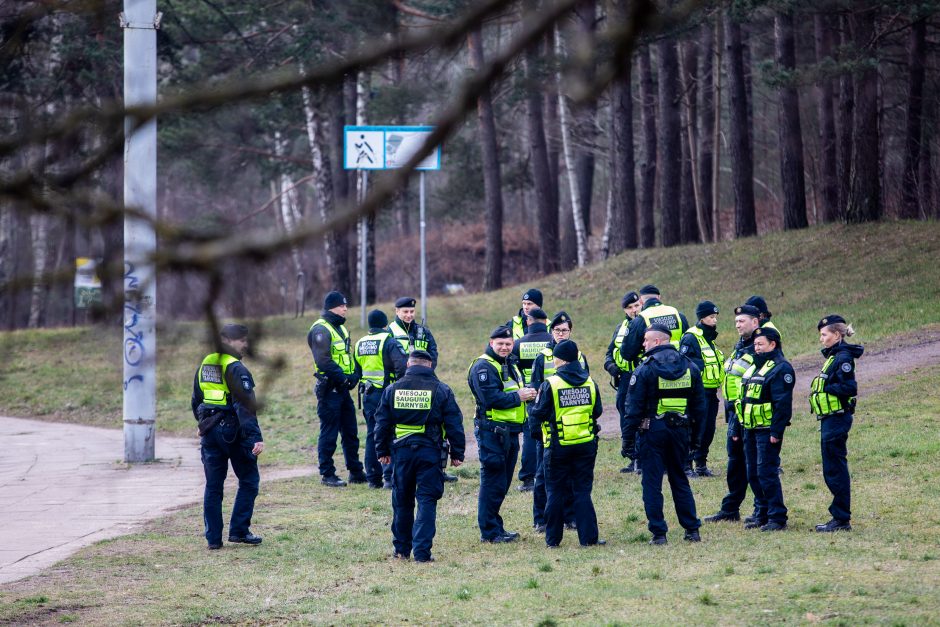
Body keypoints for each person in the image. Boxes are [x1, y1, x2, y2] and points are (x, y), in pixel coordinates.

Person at [374, 350, 466, 562]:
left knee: (402, 500)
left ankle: (401, 551)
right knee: (426, 500)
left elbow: (381, 423)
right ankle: (422, 554)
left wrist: (382, 450)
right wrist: (457, 452)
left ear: (408, 364)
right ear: (430, 365)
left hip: (402, 453)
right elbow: (454, 423)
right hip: (430, 453)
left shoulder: (392, 389)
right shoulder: (441, 389)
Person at [623, 324, 705, 545]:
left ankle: (659, 534)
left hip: (652, 432)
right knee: (680, 479)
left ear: (658, 341)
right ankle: (692, 530)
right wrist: (696, 439)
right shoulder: (690, 367)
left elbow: (632, 409)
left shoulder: (645, 369)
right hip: (681, 432)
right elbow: (699, 408)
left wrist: (627, 441)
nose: (643, 344)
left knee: (652, 483)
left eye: (647, 340)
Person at [191, 323, 265, 550]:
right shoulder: (235, 368)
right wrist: (255, 438)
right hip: (233, 432)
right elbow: (245, 407)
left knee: (213, 486)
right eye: (242, 340)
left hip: (210, 431)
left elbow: (197, 399)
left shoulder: (207, 363)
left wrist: (201, 424)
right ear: (230, 341)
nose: (246, 344)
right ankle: (239, 530)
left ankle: (213, 539)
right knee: (249, 480)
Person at [529, 340, 605, 547]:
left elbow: (536, 415)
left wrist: (541, 438)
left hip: (558, 445)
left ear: (561, 360)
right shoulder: (590, 382)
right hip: (586, 444)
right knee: (582, 491)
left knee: (555, 491)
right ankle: (589, 539)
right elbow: (597, 411)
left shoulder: (551, 384)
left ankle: (553, 540)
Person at [468, 325, 537, 543]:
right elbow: (491, 399)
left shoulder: (508, 363)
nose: (505, 347)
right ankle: (489, 532)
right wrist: (519, 396)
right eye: (500, 344)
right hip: (492, 433)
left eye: (508, 344)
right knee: (493, 482)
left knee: (502, 482)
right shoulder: (484, 367)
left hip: (509, 432)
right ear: (491, 343)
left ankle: (496, 527)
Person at [529, 311, 587, 533]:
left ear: (571, 332)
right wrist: (537, 429)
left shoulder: (579, 356)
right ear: (551, 332)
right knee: (543, 474)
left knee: (571, 475)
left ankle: (570, 516)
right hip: (548, 427)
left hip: (574, 427)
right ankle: (541, 518)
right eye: (557, 330)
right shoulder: (542, 357)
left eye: (565, 330)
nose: (561, 334)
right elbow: (534, 393)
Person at [704, 304, 761, 523]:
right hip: (734, 413)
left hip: (747, 414)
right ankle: (730, 508)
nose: (737, 325)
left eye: (742, 321)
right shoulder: (741, 345)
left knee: (752, 463)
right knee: (735, 461)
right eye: (736, 321)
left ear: (755, 322)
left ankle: (760, 509)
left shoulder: (758, 346)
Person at [308, 291, 367, 487]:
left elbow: (345, 358)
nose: (345, 309)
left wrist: (353, 377)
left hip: (342, 389)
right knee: (330, 433)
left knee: (350, 432)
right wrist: (343, 379)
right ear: (332, 307)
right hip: (330, 390)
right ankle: (327, 473)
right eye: (342, 306)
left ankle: (356, 471)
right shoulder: (320, 329)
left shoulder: (339, 329)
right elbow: (323, 361)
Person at [739, 326, 794, 531]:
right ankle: (762, 513)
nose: (757, 348)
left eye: (760, 344)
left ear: (773, 344)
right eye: (755, 344)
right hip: (750, 428)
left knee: (766, 472)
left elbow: (782, 405)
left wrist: (775, 432)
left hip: (766, 430)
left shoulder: (781, 368)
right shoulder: (755, 366)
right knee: (752, 472)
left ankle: (777, 517)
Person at [811, 315, 862, 532]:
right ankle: (840, 517)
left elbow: (849, 388)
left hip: (837, 419)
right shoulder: (834, 356)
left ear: (837, 335)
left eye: (824, 335)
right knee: (831, 469)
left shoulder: (842, 358)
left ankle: (841, 519)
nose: (821, 339)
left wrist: (827, 389)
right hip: (830, 419)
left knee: (835, 470)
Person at [354, 309, 408, 489]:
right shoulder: (388, 341)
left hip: (368, 395)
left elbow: (356, 371)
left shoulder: (360, 343)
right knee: (390, 433)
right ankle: (389, 478)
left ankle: (373, 478)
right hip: (387, 394)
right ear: (385, 324)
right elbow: (402, 367)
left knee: (372, 434)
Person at [679, 301, 724, 477]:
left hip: (712, 393)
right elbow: (684, 363)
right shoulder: (691, 337)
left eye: (715, 317)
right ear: (701, 318)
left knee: (708, 430)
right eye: (711, 317)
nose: (715, 321)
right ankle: (686, 465)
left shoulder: (710, 338)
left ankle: (701, 464)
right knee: (694, 429)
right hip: (697, 394)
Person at [512, 307, 552, 492]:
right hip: (553, 394)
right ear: (545, 322)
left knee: (530, 435)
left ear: (528, 322)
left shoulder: (518, 344)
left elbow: (513, 372)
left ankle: (528, 478)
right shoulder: (553, 342)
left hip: (530, 395)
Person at [604, 291, 642, 473]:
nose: (634, 310)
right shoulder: (620, 327)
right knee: (624, 414)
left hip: (643, 377)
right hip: (625, 378)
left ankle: (643, 456)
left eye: (636, 306)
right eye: (629, 307)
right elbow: (609, 353)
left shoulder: (647, 325)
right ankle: (632, 457)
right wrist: (611, 366)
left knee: (641, 415)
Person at [619, 284, 689, 367]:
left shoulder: (640, 319)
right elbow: (688, 342)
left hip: (653, 368)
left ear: (641, 301)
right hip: (679, 365)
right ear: (659, 297)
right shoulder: (678, 315)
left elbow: (627, 354)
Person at [388, 297, 439, 368]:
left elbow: (433, 355)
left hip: (422, 376)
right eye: (405, 312)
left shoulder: (424, 331)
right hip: (399, 378)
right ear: (397, 311)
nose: (409, 315)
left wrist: (427, 372)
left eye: (412, 311)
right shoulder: (390, 331)